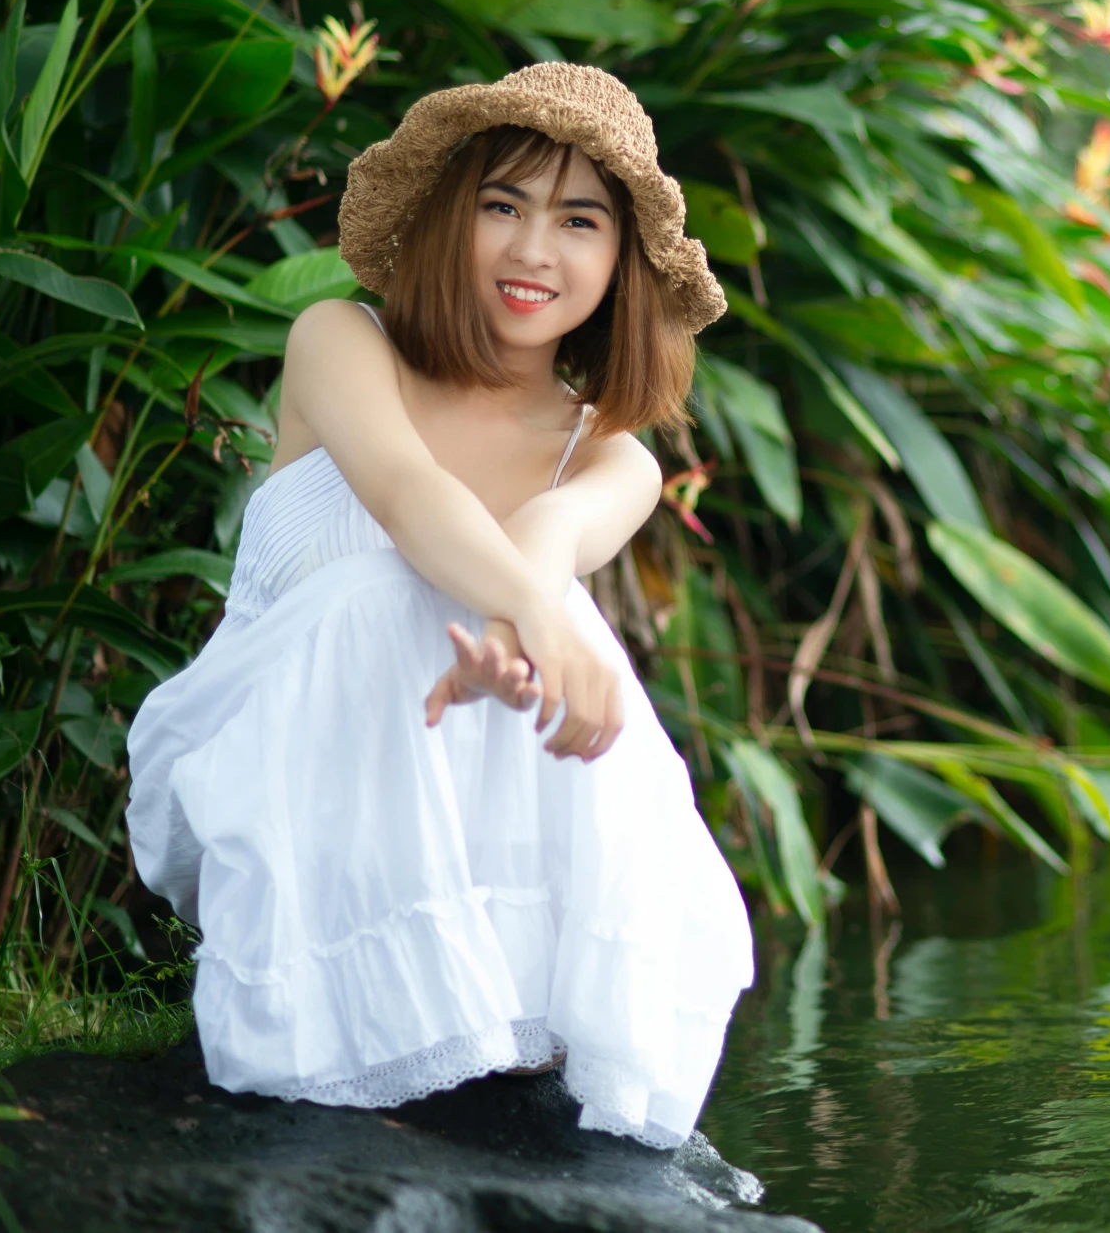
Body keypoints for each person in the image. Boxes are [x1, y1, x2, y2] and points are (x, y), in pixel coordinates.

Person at [126, 63, 753, 1148]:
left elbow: (547, 547)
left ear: (623, 263)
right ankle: (356, 1019)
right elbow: (414, 503)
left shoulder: (609, 456)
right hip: (273, 783)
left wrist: (517, 641)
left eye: (579, 220)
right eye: (502, 205)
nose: (531, 250)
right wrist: (531, 613)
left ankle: (521, 1010)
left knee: (544, 608)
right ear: (450, 217)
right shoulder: (341, 339)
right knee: (392, 586)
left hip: (479, 802)